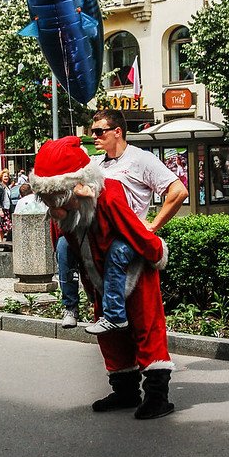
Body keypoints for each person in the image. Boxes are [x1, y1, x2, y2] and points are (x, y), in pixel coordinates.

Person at [31, 136, 174, 420]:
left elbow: (134, 230)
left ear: (78, 188)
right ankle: (125, 392)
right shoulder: (62, 213)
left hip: (134, 270)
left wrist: (157, 253)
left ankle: (157, 396)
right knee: (110, 335)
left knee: (147, 328)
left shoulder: (110, 195)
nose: (53, 209)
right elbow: (62, 243)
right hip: (98, 277)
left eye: (57, 201)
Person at [57, 109, 187, 330]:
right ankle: (70, 306)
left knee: (117, 252)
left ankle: (114, 316)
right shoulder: (95, 163)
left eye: (99, 131)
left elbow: (179, 191)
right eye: (92, 132)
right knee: (63, 245)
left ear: (117, 131)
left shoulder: (141, 159)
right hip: (95, 231)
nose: (94, 137)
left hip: (124, 231)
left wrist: (153, 224)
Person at [0, 169, 12, 242]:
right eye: (4, 176)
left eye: (7, 176)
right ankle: (0, 241)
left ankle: (1, 241)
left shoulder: (6, 187)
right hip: (2, 210)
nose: (6, 178)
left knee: (5, 228)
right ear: (1, 177)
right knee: (4, 227)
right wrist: (0, 210)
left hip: (7, 209)